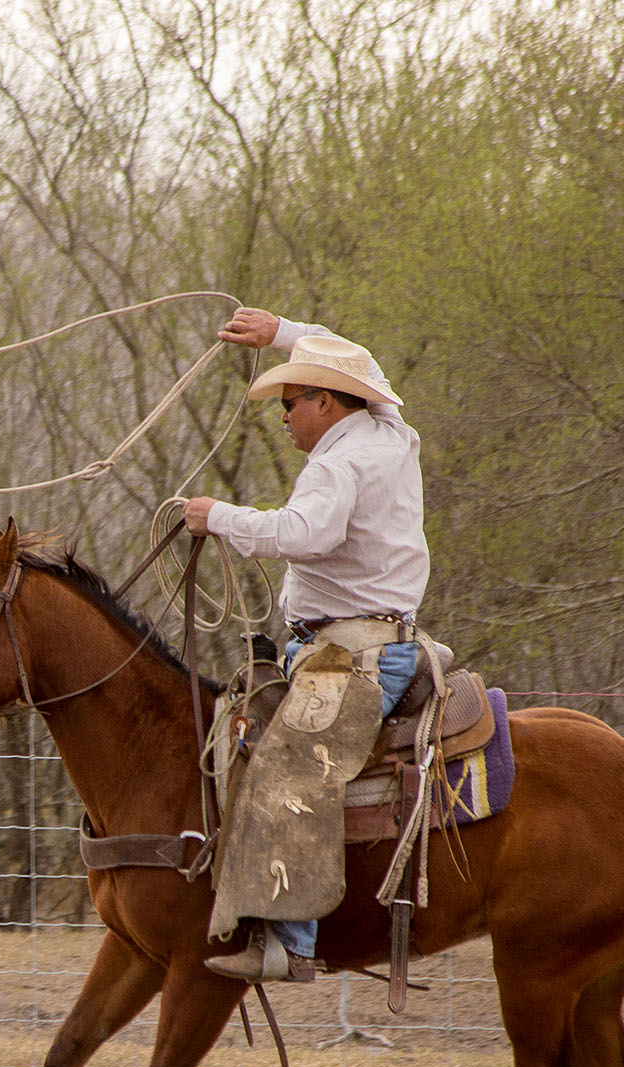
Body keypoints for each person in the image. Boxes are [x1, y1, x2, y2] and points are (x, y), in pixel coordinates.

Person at [185, 308, 428, 984]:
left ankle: (290, 943)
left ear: (327, 401)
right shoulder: (387, 429)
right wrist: (282, 332)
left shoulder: (338, 463)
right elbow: (363, 360)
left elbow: (305, 533)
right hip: (359, 643)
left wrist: (218, 517)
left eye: (291, 402)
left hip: (350, 656)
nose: (284, 415)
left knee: (289, 764)